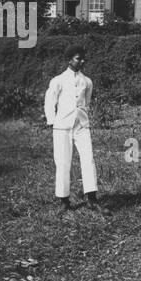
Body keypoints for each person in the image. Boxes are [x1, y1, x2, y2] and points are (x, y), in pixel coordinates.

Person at [44, 44, 102, 212]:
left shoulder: (87, 81)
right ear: (69, 59)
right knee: (62, 162)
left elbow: (86, 102)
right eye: (78, 58)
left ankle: (92, 199)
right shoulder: (58, 80)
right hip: (62, 127)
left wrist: (82, 118)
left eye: (83, 59)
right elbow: (50, 102)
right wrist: (53, 121)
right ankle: (64, 201)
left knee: (88, 159)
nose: (82, 61)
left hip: (82, 126)